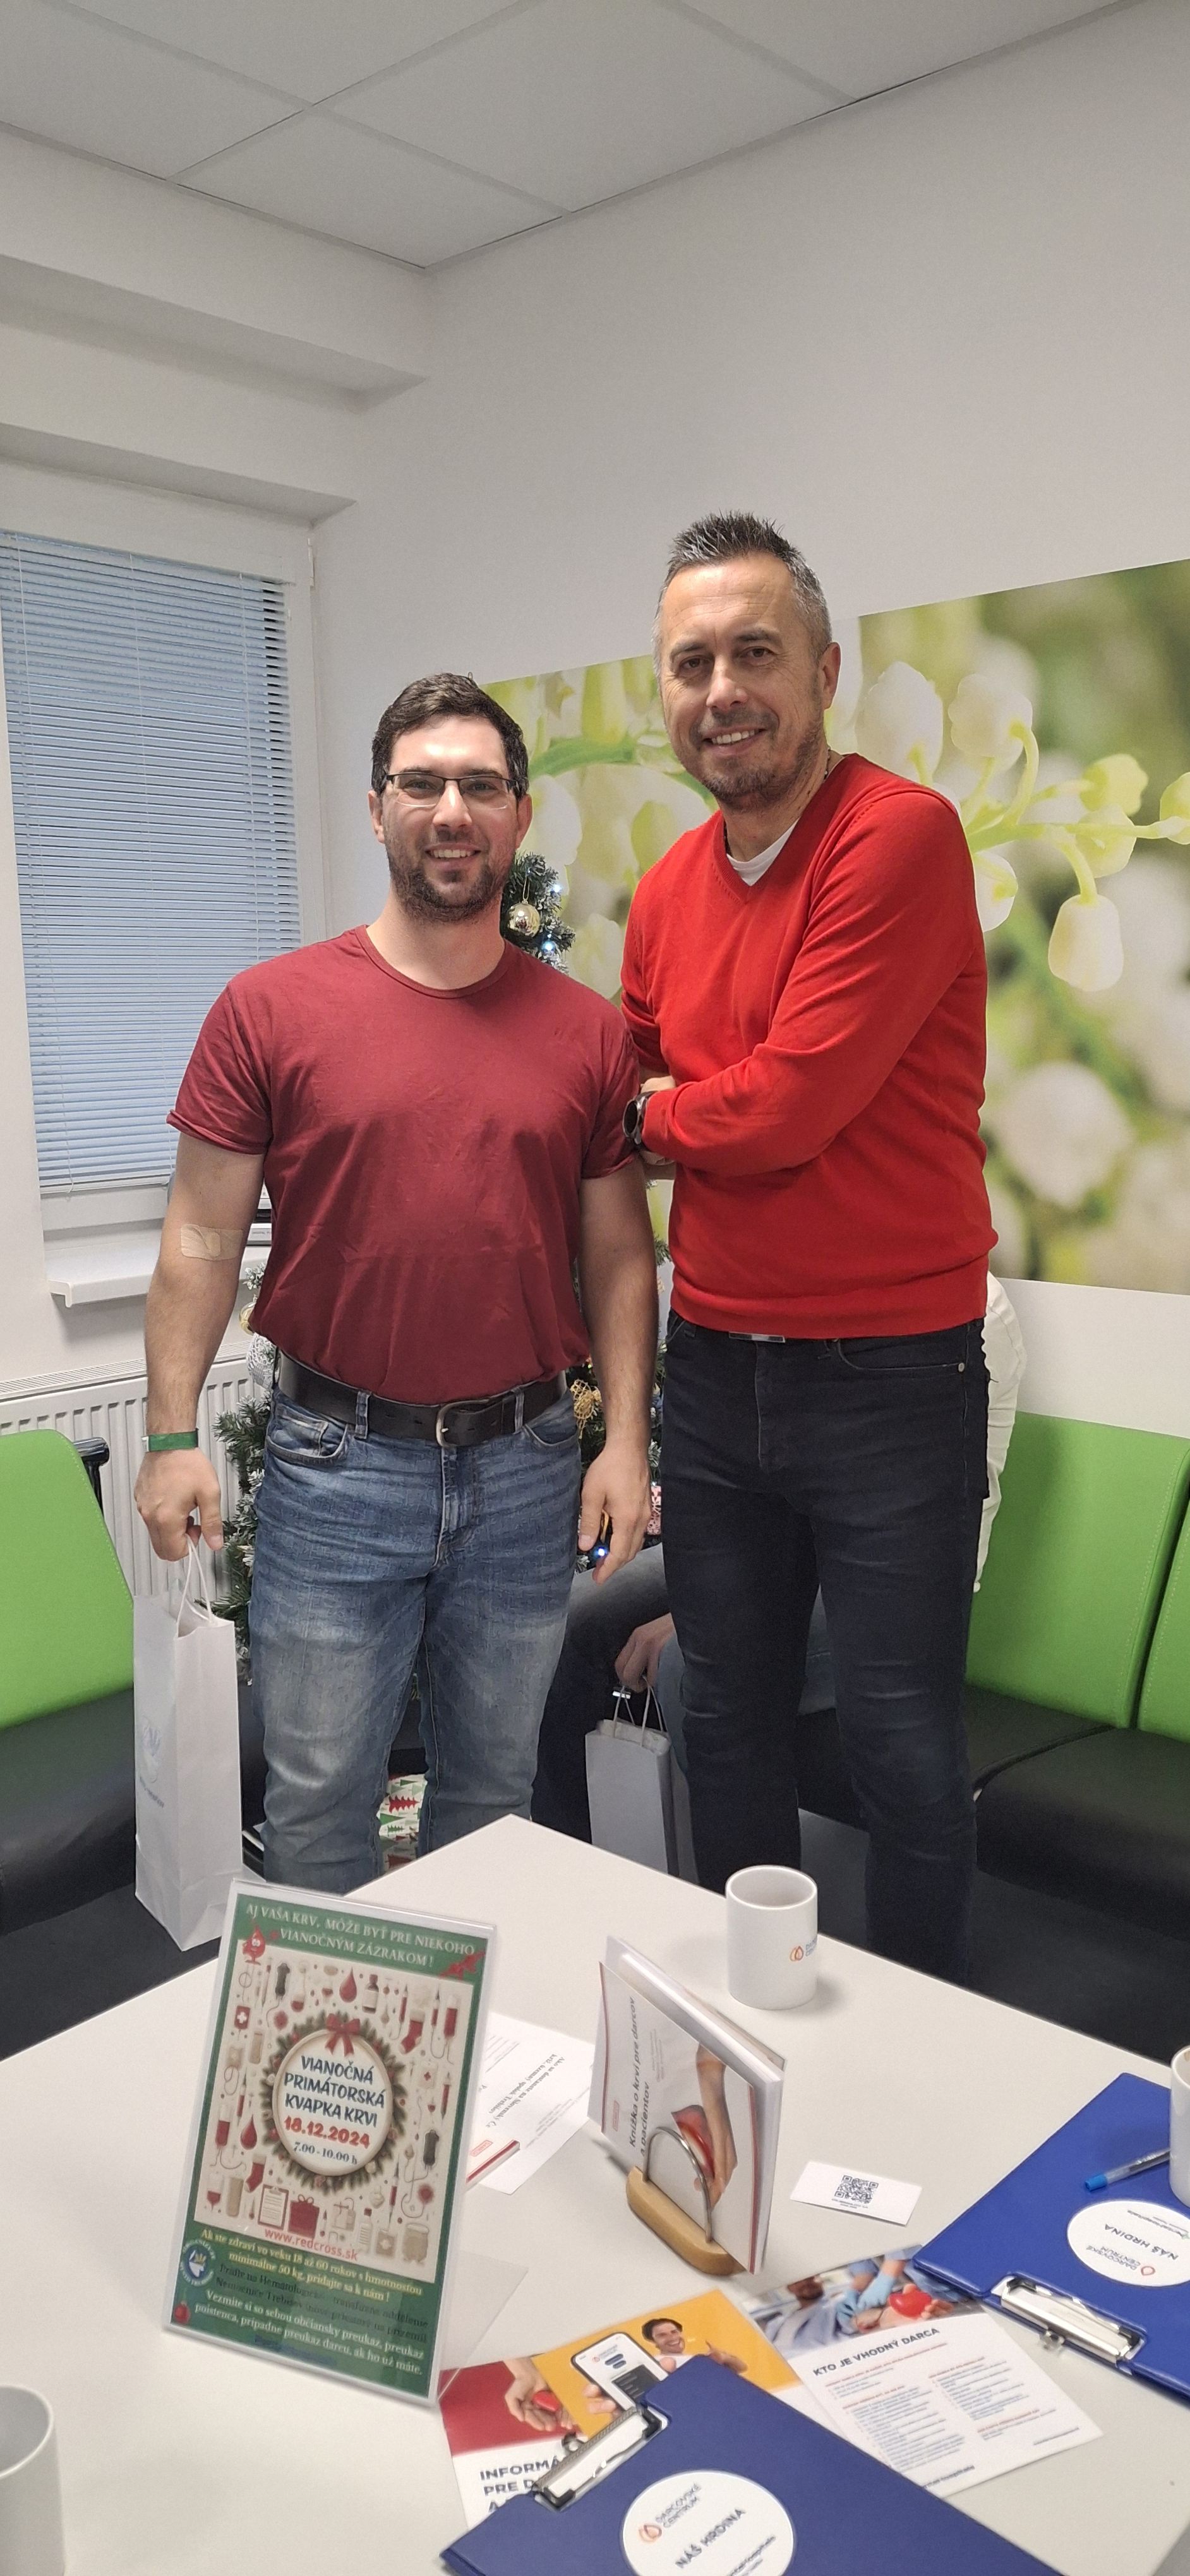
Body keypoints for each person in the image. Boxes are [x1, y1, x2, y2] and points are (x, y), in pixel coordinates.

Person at [135, 672, 658, 1892]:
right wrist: (168, 1433)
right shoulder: (268, 1011)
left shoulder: (586, 1034)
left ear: (518, 814)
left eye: (479, 785)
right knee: (318, 1806)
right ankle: (333, 2027)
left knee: (493, 1802)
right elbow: (199, 1237)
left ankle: (467, 2021)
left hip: (526, 1466)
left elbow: (619, 1255)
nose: (451, 811)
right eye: (421, 785)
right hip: (336, 1467)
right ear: (377, 810)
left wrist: (627, 1441)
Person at [619, 513, 994, 1983]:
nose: (723, 690)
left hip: (890, 1378)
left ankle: (927, 2046)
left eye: (755, 653)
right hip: (717, 1367)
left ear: (825, 672)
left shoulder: (897, 836)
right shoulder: (666, 888)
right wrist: (665, 1110)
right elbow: (630, 1085)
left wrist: (662, 1114)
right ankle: (753, 2018)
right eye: (691, 663)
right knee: (724, 1719)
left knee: (901, 1743)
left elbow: (785, 1109)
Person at [532, 1276, 1023, 1843]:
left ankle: (734, 1887)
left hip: (888, 1575)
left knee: (695, 1662)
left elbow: (905, 1536)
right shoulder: (776, 1288)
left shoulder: (963, 1308)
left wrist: (693, 1617)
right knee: (584, 1615)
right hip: (765, 1538)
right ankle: (572, 1859)